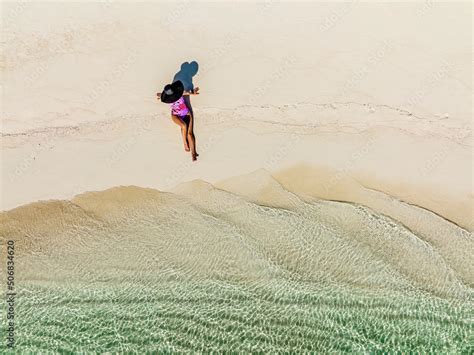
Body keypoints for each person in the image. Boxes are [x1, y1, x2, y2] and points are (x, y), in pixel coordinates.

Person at [157, 80, 200, 161]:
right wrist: (160, 95)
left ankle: (194, 153)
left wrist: (194, 92)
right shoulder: (167, 97)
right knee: (184, 125)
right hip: (175, 115)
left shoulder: (179, 93)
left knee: (190, 133)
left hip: (186, 113)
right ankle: (185, 143)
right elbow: (160, 95)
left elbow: (188, 93)